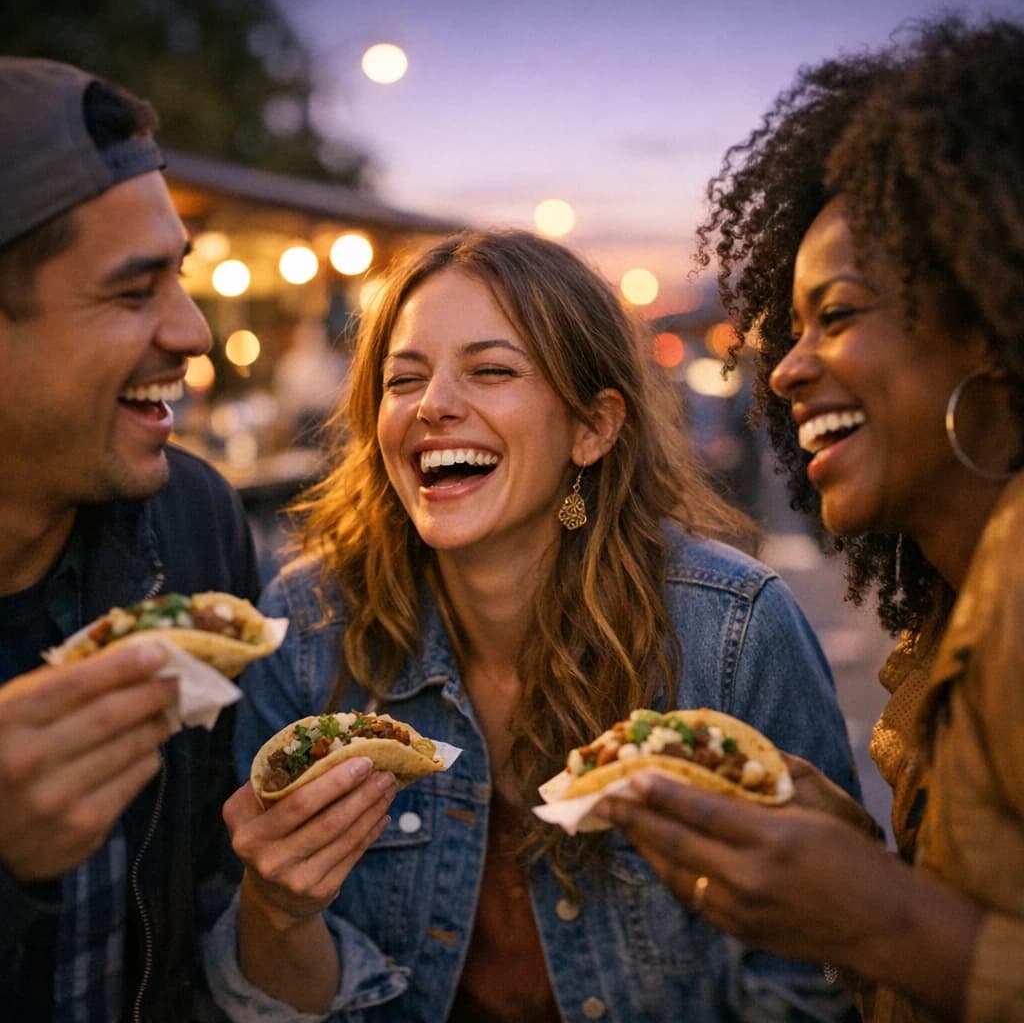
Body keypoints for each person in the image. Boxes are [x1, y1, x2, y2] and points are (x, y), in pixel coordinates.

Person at [205, 227, 863, 1021]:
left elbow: (818, 983)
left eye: (491, 371)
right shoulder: (306, 626)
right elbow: (264, 1002)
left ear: (593, 427)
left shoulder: (735, 631)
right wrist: (277, 908)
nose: (433, 406)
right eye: (402, 380)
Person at [603, 14, 1024, 1023]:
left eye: (834, 316)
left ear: (987, 311)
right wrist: (849, 868)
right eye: (786, 330)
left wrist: (881, 916)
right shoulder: (955, 609)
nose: (784, 369)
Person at [0, 58, 260, 1019]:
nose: (193, 332)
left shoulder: (197, 523)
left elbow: (209, 894)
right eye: (131, 290)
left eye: (179, 277)